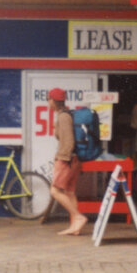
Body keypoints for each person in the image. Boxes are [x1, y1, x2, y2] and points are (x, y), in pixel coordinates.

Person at [47, 87, 88, 236]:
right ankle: (75, 227)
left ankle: (78, 217)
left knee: (55, 190)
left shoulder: (64, 117)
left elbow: (69, 141)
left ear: (53, 100)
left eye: (48, 99)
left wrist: (63, 159)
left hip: (66, 159)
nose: (48, 103)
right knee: (69, 192)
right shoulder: (66, 114)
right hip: (74, 158)